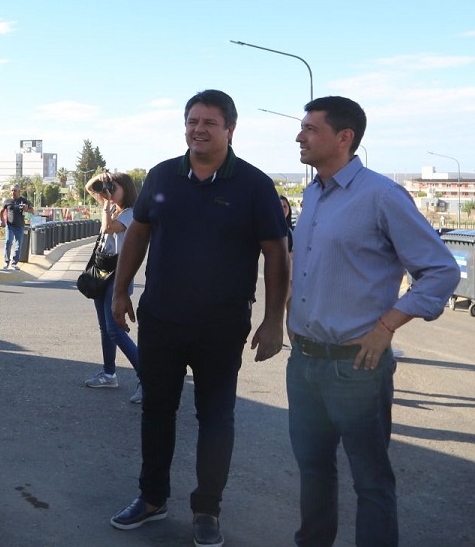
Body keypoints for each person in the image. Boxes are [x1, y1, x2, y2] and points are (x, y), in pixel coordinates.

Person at [109, 89, 289, 547]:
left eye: (210, 121)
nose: (199, 128)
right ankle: (151, 499)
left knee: (216, 418)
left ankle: (207, 509)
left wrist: (273, 321)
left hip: (222, 326)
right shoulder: (162, 175)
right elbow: (139, 233)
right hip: (162, 320)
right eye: (192, 120)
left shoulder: (253, 184)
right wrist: (120, 289)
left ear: (230, 128)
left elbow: (276, 253)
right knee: (156, 411)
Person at [286, 96, 459, 547]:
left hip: (356, 368)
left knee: (371, 480)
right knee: (313, 470)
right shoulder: (312, 192)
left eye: (310, 129)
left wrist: (387, 326)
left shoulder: (381, 195)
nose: (299, 136)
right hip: (305, 363)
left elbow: (440, 270)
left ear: (344, 138)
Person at [83, 170, 142, 404]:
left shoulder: (130, 214)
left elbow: (108, 228)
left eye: (114, 188)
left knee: (115, 330)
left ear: (125, 189)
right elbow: (89, 187)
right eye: (108, 189)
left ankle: (147, 378)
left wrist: (107, 205)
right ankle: (109, 374)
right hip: (102, 272)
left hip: (118, 275)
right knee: (104, 328)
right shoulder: (114, 206)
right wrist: (101, 177)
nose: (108, 192)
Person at [0, 184, 33, 269]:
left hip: (20, 226)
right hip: (10, 226)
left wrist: (26, 209)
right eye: (12, 190)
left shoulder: (23, 200)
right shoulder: (7, 201)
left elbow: (32, 211)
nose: (13, 192)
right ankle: (6, 262)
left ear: (19, 192)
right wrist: (2, 221)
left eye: (15, 190)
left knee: (18, 245)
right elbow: (1, 211)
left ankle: (14, 263)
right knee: (8, 242)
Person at [280, 195, 295, 260]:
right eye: (280, 206)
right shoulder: (272, 230)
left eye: (285, 206)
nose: (282, 209)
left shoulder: (292, 229)